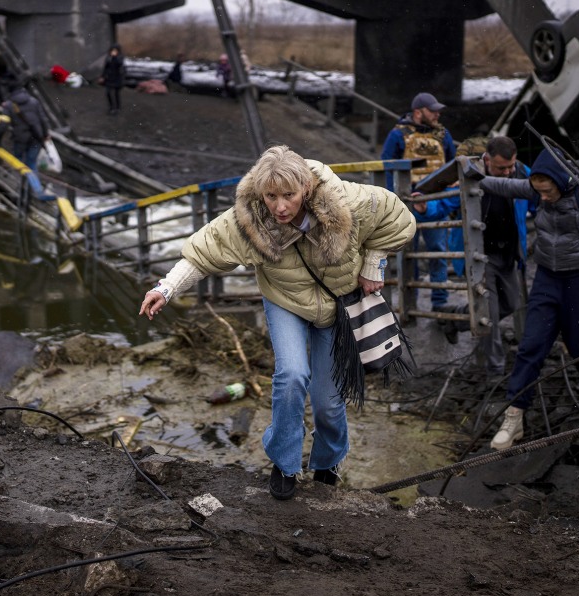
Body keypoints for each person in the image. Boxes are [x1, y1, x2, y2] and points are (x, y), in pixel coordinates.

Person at [139, 145, 415, 500]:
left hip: (336, 307)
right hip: (285, 302)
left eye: (289, 195)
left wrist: (374, 263)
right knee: (291, 376)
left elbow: (398, 217)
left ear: (307, 188)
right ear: (260, 192)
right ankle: (285, 463)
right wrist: (166, 288)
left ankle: (327, 463)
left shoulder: (348, 200)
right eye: (271, 196)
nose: (280, 207)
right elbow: (204, 250)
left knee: (328, 401)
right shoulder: (249, 217)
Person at [472, 148, 579, 451]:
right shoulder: (535, 188)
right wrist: (470, 176)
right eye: (538, 192)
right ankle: (514, 417)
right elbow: (502, 185)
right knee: (531, 344)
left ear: (563, 181)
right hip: (547, 277)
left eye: (548, 192)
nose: (542, 198)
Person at [419, 136, 534, 382]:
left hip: (509, 252)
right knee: (488, 313)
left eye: (510, 166)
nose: (507, 172)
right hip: (481, 255)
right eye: (501, 168)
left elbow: (539, 193)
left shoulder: (522, 171)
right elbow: (446, 202)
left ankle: (456, 320)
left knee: (511, 304)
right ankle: (495, 373)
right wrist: (424, 208)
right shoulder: (470, 173)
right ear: (487, 159)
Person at [379, 92, 457, 314]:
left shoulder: (443, 134)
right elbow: (387, 168)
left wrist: (448, 197)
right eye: (432, 110)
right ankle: (409, 303)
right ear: (418, 112)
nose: (437, 114)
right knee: (407, 255)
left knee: (438, 253)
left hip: (434, 204)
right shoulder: (398, 134)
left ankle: (440, 303)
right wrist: (394, 203)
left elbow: (452, 165)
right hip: (408, 204)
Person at [3, 75, 50, 172]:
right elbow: (43, 119)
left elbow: (3, 124)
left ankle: (20, 184)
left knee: (18, 162)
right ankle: (33, 186)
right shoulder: (34, 101)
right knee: (31, 163)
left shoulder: (8, 105)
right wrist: (45, 135)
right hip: (36, 136)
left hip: (20, 138)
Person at [101, 45, 125, 115]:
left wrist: (115, 57)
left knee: (116, 93)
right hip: (109, 78)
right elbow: (106, 68)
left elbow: (120, 64)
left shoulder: (120, 57)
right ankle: (111, 107)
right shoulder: (108, 58)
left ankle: (117, 107)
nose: (113, 52)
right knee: (108, 92)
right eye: (112, 50)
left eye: (115, 51)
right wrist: (102, 76)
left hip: (117, 78)